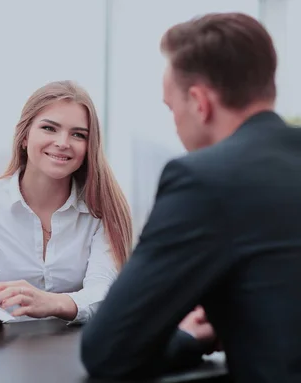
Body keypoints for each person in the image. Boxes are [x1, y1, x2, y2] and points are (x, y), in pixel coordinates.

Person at [80, 12, 301, 382]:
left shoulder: (205, 180)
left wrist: (189, 337)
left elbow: (108, 348)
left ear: (200, 103)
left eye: (172, 107)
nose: (175, 122)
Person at [0, 80, 133, 326]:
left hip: (78, 351)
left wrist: (51, 303)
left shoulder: (100, 209)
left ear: (89, 148)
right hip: (1, 352)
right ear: (24, 137)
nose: (63, 142)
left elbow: (104, 295)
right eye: (49, 128)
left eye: (78, 134)